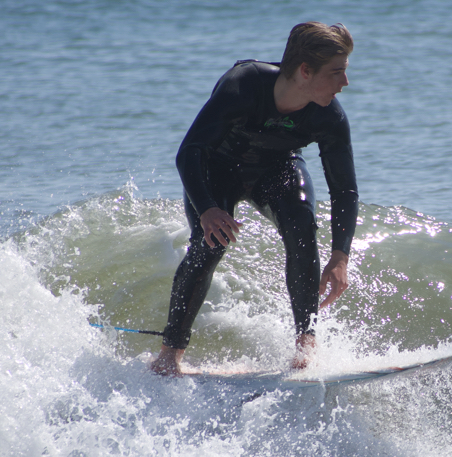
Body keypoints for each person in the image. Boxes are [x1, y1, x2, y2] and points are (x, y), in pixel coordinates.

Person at [151, 22, 359, 376]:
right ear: (305, 71)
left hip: (277, 169)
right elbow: (190, 151)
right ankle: (169, 355)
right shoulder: (243, 85)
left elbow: (345, 190)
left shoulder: (329, 116)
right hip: (218, 166)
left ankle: (305, 348)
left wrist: (340, 254)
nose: (345, 83)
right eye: (336, 72)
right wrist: (208, 209)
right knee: (210, 243)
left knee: (301, 226)